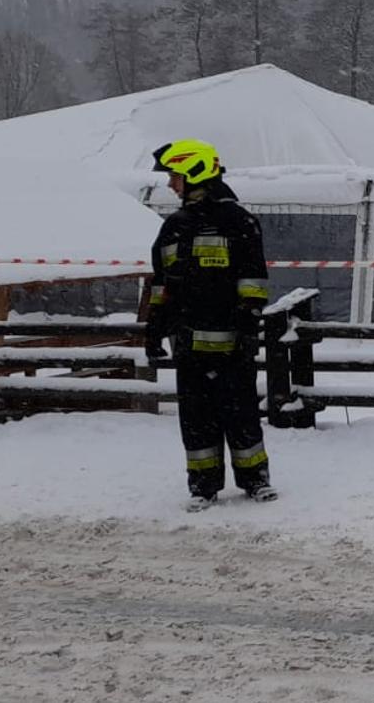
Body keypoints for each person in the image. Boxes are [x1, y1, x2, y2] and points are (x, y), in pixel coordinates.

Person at [145, 139, 278, 512]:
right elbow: (162, 284)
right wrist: (154, 328)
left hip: (233, 342)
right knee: (196, 418)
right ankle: (203, 485)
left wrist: (248, 317)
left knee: (241, 412)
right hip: (188, 345)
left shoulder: (238, 222)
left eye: (174, 176)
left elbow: (254, 277)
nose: (170, 184)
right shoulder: (173, 227)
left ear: (195, 173)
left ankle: (255, 479)